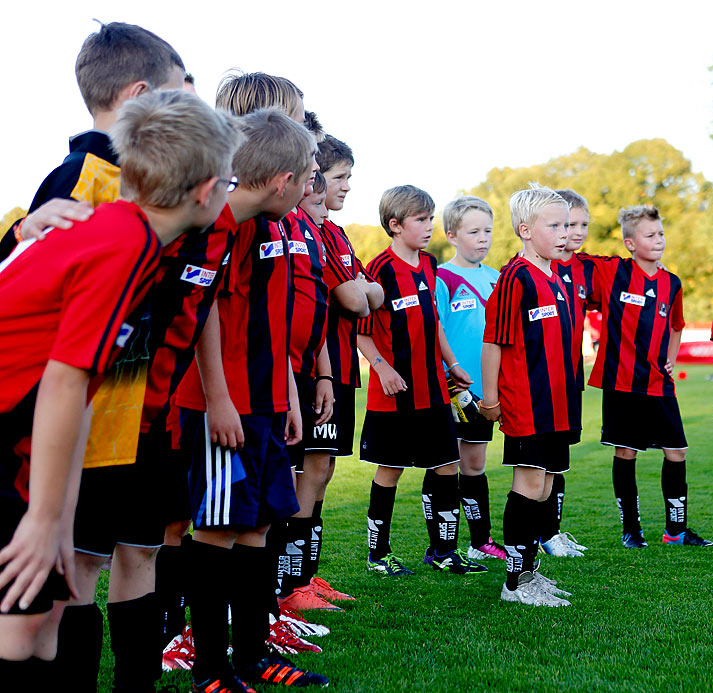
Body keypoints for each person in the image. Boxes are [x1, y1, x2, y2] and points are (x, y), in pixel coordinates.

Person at [0, 88, 237, 685]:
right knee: (18, 621)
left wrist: (56, 514)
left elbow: (78, 393)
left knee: (41, 616)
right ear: (206, 191)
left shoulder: (125, 237)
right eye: (229, 184)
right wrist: (40, 521)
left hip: (22, 444)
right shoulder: (125, 246)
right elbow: (62, 382)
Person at [172, 109, 328, 692]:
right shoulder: (221, 224)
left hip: (265, 401)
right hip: (225, 407)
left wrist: (287, 389)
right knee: (216, 531)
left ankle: (252, 657)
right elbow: (203, 311)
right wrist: (218, 398)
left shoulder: (273, 225)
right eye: (310, 172)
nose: (314, 181)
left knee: (260, 524)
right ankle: (209, 669)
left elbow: (273, 318)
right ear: (283, 179)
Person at [358, 185, 484, 576]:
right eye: (421, 219)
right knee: (389, 471)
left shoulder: (429, 265)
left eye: (430, 218)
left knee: (447, 465)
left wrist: (452, 364)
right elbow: (361, 331)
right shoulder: (379, 270)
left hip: (433, 391)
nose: (429, 226)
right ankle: (378, 555)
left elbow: (434, 324)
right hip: (394, 396)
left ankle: (443, 552)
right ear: (395, 225)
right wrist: (383, 367)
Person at [583, 206, 713, 549]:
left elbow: (676, 326)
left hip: (659, 383)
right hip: (621, 382)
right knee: (626, 453)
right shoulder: (612, 272)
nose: (658, 240)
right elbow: (570, 254)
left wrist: (670, 360)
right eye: (650, 235)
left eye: (661, 234)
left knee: (677, 452)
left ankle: (676, 531)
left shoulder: (672, 283)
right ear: (630, 242)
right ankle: (631, 530)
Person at [0, 22, 185, 262]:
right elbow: (33, 274)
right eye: (174, 100)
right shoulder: (82, 177)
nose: (182, 114)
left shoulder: (128, 174)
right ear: (139, 95)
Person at [480, 184, 579, 607]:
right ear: (525, 230)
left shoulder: (558, 276)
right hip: (528, 403)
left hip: (559, 403)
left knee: (545, 487)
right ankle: (515, 583)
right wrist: (489, 400)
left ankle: (530, 572)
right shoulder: (515, 278)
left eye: (568, 225)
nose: (564, 233)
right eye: (554, 225)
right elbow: (493, 344)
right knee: (529, 483)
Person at [311, 136, 383, 594]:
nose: (347, 187)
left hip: (340, 367)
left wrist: (361, 290)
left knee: (324, 472)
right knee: (308, 473)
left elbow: (372, 294)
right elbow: (358, 299)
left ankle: (305, 577)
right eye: (340, 177)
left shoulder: (336, 232)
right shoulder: (309, 228)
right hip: (316, 367)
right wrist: (361, 290)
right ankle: (288, 584)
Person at [434, 196, 507, 563]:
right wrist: (448, 377)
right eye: (474, 231)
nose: (483, 238)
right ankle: (441, 545)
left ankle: (480, 541)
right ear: (452, 235)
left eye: (488, 231)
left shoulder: (497, 278)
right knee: (443, 463)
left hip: (484, 390)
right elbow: (434, 331)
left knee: (475, 466)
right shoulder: (441, 278)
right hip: (451, 390)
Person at [535, 188, 593, 557]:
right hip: (541, 384)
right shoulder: (536, 269)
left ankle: (551, 532)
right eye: (567, 223)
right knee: (536, 466)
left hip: (570, 380)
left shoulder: (585, 269)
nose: (575, 231)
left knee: (558, 462)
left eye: (581, 224)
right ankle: (536, 536)